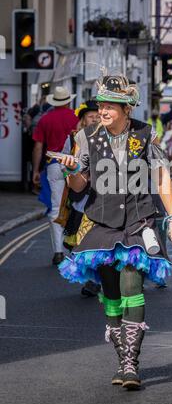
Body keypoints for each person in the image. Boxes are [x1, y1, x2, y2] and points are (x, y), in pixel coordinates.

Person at [57, 74, 172, 390]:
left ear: (127, 107)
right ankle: (121, 357)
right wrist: (72, 170)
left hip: (140, 222)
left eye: (110, 104)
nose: (103, 109)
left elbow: (161, 177)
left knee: (131, 280)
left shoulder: (145, 133)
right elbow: (79, 187)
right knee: (110, 293)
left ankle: (131, 364)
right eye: (101, 104)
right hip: (101, 224)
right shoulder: (86, 137)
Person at [32, 86, 78, 265]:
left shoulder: (45, 119)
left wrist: (36, 170)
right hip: (74, 164)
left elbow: (37, 147)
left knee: (56, 208)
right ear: (68, 101)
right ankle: (76, 249)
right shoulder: (75, 117)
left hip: (54, 166)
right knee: (79, 206)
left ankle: (58, 251)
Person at [61, 100, 101, 298]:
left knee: (97, 241)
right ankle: (91, 279)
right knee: (81, 242)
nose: (94, 118)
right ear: (84, 118)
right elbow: (65, 162)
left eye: (97, 115)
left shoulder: (106, 136)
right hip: (80, 198)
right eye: (91, 115)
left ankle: (95, 281)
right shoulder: (74, 138)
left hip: (102, 197)